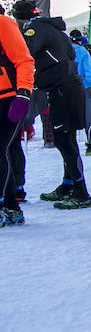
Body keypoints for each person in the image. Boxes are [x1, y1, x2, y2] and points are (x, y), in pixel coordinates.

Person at [14, 0, 91, 208]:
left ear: (20, 18)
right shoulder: (53, 29)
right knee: (65, 138)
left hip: (62, 87)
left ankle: (81, 192)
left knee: (65, 141)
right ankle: (68, 185)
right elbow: (70, 54)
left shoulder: (35, 29)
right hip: (66, 86)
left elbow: (23, 51)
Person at [0, 11, 34, 226]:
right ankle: (11, 206)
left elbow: (24, 60)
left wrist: (23, 93)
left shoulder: (3, 23)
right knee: (4, 150)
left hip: (7, 98)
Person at [69, 31, 91, 155]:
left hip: (68, 87)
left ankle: (70, 144)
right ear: (80, 40)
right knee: (88, 115)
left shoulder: (64, 51)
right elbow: (88, 71)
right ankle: (90, 144)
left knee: (71, 115)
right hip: (84, 86)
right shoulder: (83, 52)